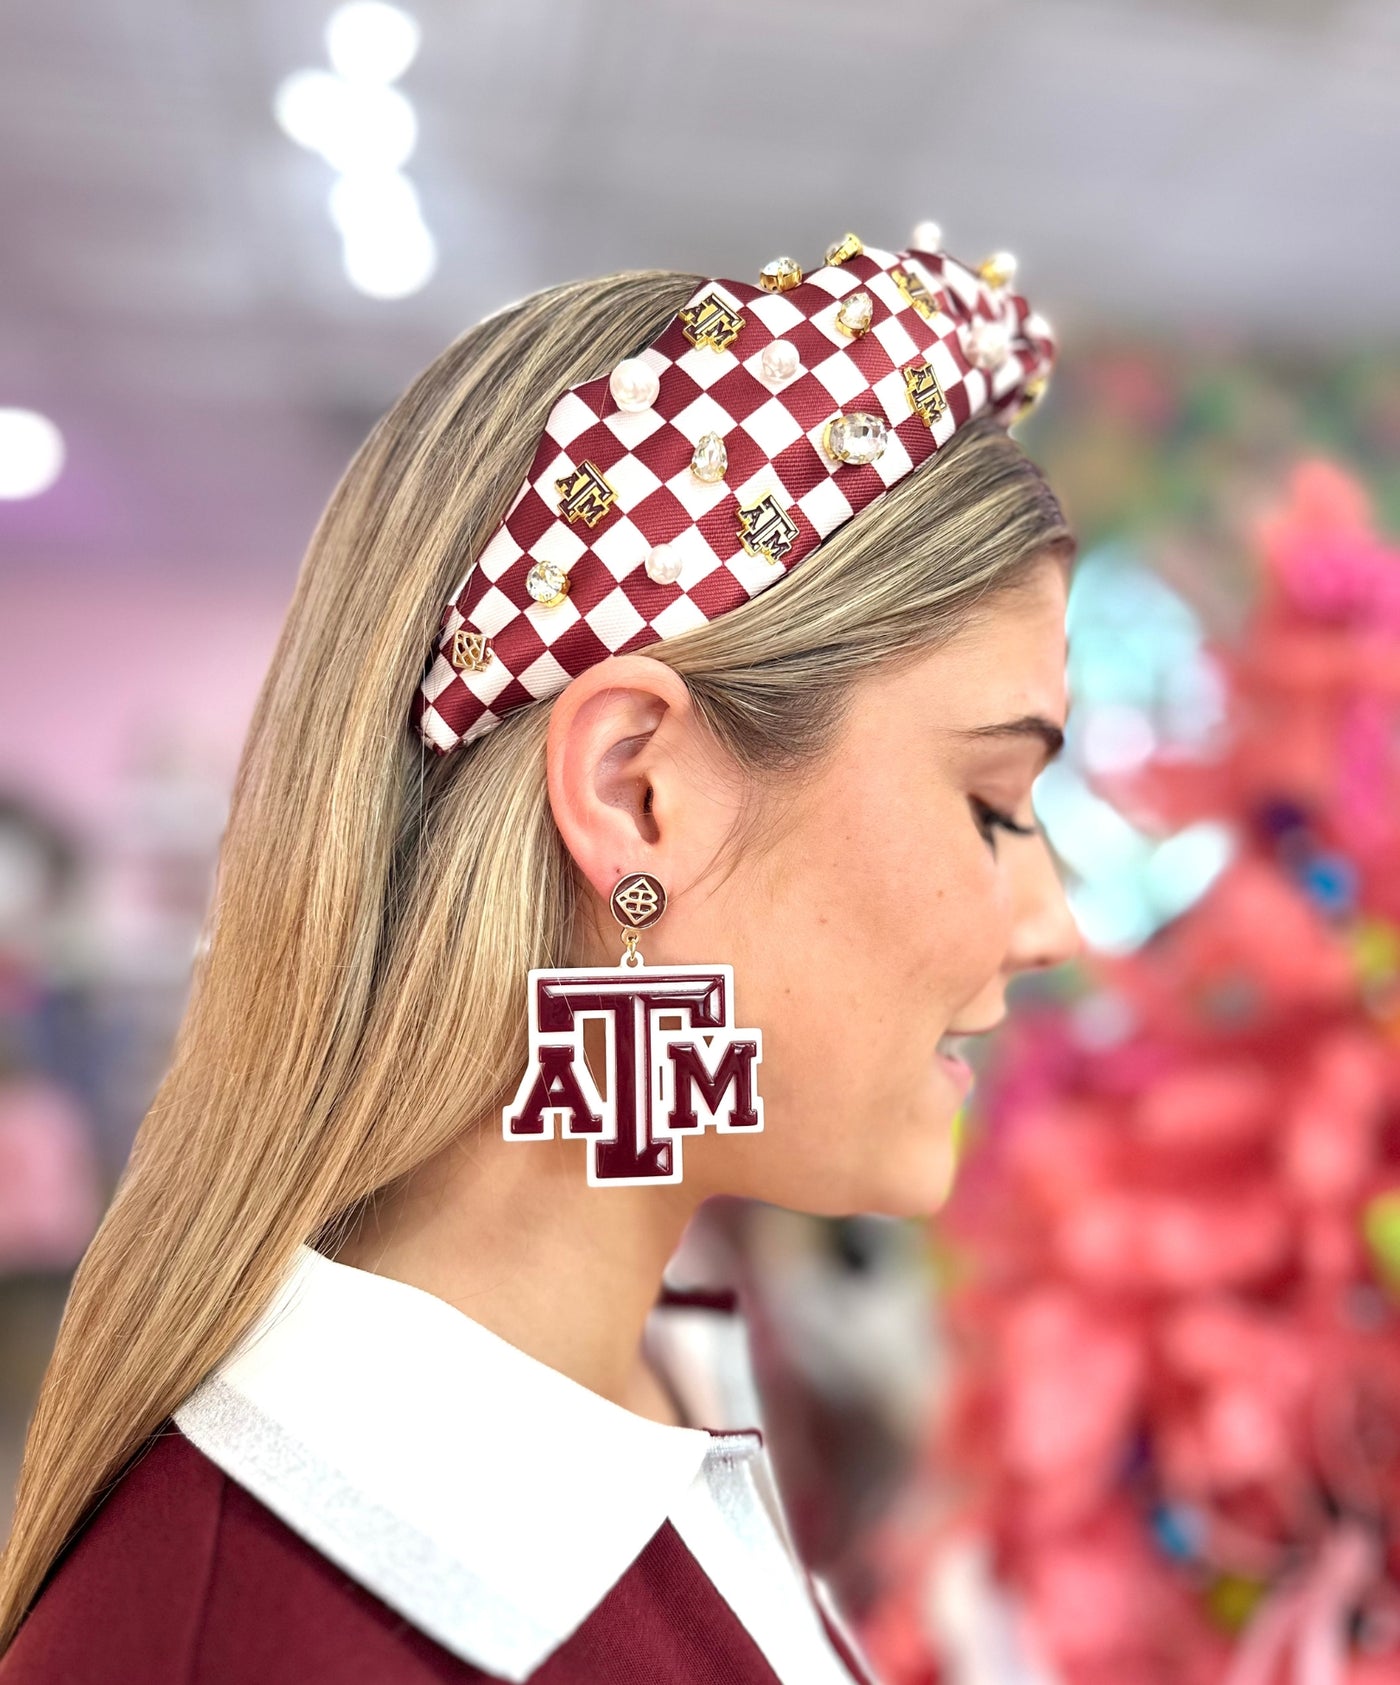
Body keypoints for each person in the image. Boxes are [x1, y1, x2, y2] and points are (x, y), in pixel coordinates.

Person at [0, 225, 1083, 1683]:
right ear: (640, 790)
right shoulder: (249, 1636)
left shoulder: (652, 1364)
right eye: (994, 803)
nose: (1054, 922)